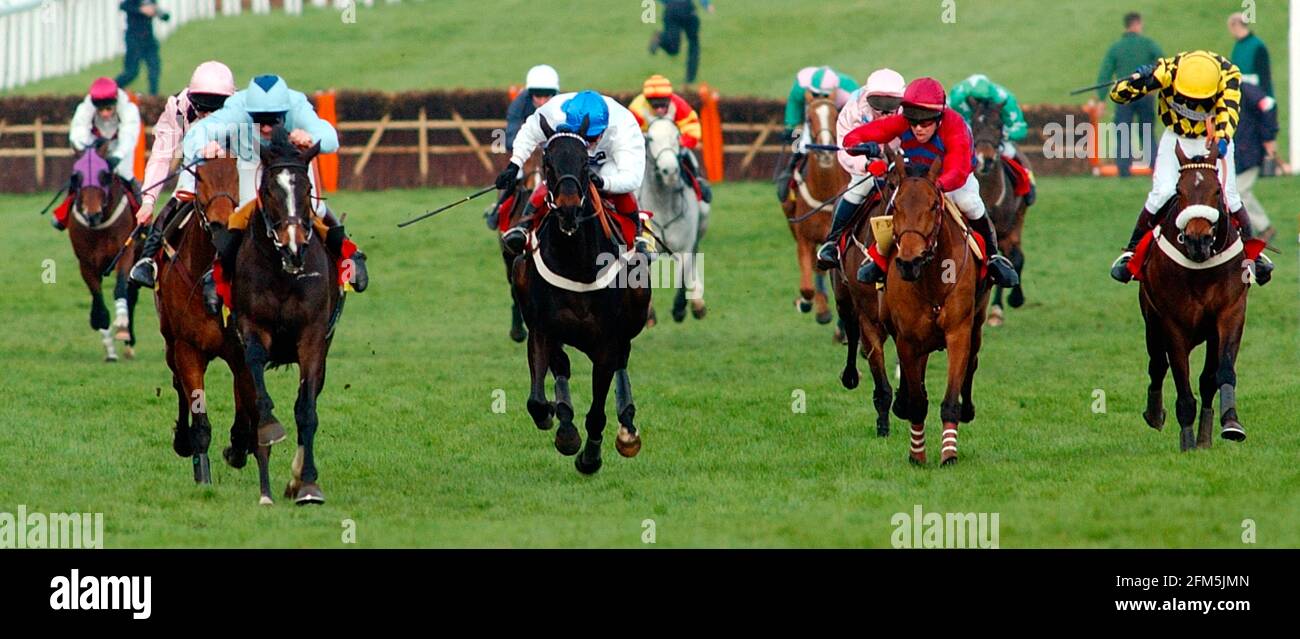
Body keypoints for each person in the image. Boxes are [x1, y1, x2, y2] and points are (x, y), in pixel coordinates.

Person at [183, 74, 368, 313]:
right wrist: (203, 147)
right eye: (260, 121)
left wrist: (311, 137)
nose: (267, 127)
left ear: (285, 112)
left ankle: (349, 254)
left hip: (291, 164)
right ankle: (219, 275)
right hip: (252, 163)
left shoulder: (296, 104)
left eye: (273, 120)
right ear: (249, 113)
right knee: (242, 216)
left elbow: (331, 139)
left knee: (314, 208)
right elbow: (197, 134)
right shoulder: (237, 108)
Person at [1107, 50, 1271, 285]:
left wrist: (1222, 139)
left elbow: (1229, 112)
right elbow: (1117, 95)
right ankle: (1131, 254)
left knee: (1230, 196)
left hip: (1214, 137)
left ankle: (1254, 256)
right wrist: (1137, 80)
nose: (1193, 104)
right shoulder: (1166, 71)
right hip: (1176, 137)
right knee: (1162, 193)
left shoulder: (1228, 75)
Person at [841, 77, 1020, 288]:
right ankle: (879, 259)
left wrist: (938, 186)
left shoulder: (955, 126)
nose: (917, 128)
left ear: (939, 116)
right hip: (917, 175)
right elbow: (855, 137)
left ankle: (992, 257)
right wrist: (861, 147)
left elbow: (958, 170)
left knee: (970, 204)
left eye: (925, 122)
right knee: (895, 205)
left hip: (952, 178)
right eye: (913, 121)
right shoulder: (904, 121)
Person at [496, 90, 649, 255]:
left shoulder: (625, 127)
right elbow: (529, 133)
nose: (588, 143)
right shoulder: (553, 113)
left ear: (605, 127)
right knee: (556, 179)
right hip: (572, 158)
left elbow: (632, 177)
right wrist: (515, 164)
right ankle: (523, 227)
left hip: (608, 164)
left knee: (619, 190)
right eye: (584, 136)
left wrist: (603, 182)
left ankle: (638, 236)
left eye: (592, 137)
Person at [128, 61, 237, 288]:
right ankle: (147, 260)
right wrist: (148, 202)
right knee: (181, 195)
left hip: (233, 174)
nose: (206, 115)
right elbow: (161, 156)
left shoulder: (241, 108)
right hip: (195, 170)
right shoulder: (178, 107)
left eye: (214, 110)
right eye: (201, 109)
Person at [814, 68, 905, 269]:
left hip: (903, 161)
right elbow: (844, 151)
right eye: (878, 104)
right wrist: (867, 164)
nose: (884, 111)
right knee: (858, 188)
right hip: (868, 165)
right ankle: (833, 243)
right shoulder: (853, 109)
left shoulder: (909, 108)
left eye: (890, 105)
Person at [54, 77, 142, 231]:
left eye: (108, 109)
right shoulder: (85, 106)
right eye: (100, 110)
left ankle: (142, 219)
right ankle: (63, 214)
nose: (105, 113)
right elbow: (78, 130)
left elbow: (129, 135)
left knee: (126, 175)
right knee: (81, 175)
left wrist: (118, 156)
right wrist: (86, 149)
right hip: (94, 146)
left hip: (120, 147)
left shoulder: (129, 108)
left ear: (115, 102)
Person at [488, 64, 560, 230]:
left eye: (546, 96)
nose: (542, 102)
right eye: (537, 96)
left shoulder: (562, 104)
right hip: (528, 152)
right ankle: (498, 211)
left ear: (554, 94)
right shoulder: (518, 105)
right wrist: (530, 144)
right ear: (530, 94)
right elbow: (510, 137)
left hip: (553, 150)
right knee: (516, 174)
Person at [774, 66, 860, 203]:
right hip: (812, 113)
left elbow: (857, 118)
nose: (819, 98)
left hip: (840, 113)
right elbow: (794, 105)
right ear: (808, 90)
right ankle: (791, 170)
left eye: (825, 95)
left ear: (834, 92)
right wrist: (790, 126)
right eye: (814, 94)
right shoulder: (800, 86)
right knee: (801, 143)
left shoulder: (849, 92)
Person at [948, 73, 1036, 206]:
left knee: (1011, 152)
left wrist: (1003, 134)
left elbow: (1020, 128)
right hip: (967, 130)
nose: (981, 104)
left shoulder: (1006, 99)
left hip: (996, 135)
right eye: (976, 100)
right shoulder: (956, 98)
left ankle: (1028, 181)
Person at [627, 74, 712, 204]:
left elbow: (693, 128)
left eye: (663, 105)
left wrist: (682, 142)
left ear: (669, 99)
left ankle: (698, 183)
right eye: (655, 106)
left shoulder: (680, 106)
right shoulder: (637, 108)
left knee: (689, 157)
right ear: (647, 101)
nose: (660, 109)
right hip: (647, 144)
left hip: (673, 143)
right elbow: (628, 133)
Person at [1096, 12, 1163, 177]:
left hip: (1124, 95)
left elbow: (1105, 73)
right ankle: (1155, 166)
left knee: (1123, 131)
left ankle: (1124, 169)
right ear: (1137, 24)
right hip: (1145, 94)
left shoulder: (1116, 47)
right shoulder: (1148, 44)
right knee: (1146, 130)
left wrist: (1102, 98)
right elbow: (1162, 62)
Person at [1232, 81, 1280, 244]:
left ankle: (1263, 227)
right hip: (1241, 150)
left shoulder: (1244, 90)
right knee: (1238, 192)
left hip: (1249, 149)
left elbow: (1268, 105)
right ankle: (1257, 228)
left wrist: (1269, 137)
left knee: (1238, 193)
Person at [648, 1, 714, 86]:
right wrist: (706, 5)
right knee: (693, 44)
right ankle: (690, 79)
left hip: (671, 9)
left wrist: (669, 4)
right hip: (688, 9)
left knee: (673, 49)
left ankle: (660, 39)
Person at [115, 0, 169, 96]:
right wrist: (141, 10)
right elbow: (123, 6)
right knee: (131, 72)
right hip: (134, 39)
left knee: (154, 69)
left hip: (148, 38)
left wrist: (157, 12)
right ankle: (111, 88)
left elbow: (163, 15)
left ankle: (153, 96)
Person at [1228, 12, 1272, 98]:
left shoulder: (1257, 46)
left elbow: (1264, 75)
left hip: (1256, 96)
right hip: (1244, 95)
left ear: (1236, 25)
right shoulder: (1238, 46)